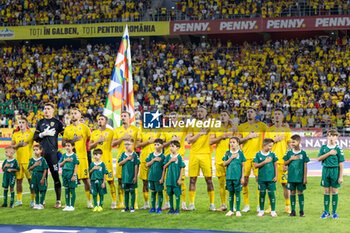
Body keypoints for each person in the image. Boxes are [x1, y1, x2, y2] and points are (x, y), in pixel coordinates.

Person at [34, 102, 65, 208]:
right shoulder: (40, 122)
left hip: (52, 154)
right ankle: (42, 201)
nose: (46, 110)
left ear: (53, 110)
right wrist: (43, 134)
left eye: (48, 109)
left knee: (56, 176)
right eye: (45, 108)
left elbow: (65, 135)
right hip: (42, 154)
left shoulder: (57, 123)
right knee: (43, 177)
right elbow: (35, 137)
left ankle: (58, 200)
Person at [237, 107, 267, 213]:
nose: (249, 114)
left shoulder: (261, 125)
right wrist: (248, 137)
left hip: (257, 158)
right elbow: (238, 141)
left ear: (256, 114)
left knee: (259, 181)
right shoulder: (242, 126)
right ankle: (246, 205)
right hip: (245, 157)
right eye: (248, 112)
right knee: (244, 181)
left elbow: (270, 132)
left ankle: (259, 204)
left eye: (251, 112)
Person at [187, 106, 215, 211]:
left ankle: (212, 204)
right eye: (198, 111)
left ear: (206, 112)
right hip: (194, 154)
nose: (199, 113)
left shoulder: (211, 125)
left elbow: (212, 139)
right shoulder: (192, 125)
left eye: (202, 111)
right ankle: (191, 204)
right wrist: (200, 133)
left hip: (206, 154)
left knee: (209, 179)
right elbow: (189, 140)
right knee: (192, 179)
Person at [62, 108, 92, 208]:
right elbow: (63, 143)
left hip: (82, 157)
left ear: (80, 116)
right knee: (70, 180)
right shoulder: (67, 129)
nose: (73, 115)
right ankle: (69, 203)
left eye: (75, 113)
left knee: (86, 179)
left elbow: (91, 140)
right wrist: (73, 140)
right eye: (72, 113)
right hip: (70, 159)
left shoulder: (85, 128)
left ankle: (89, 201)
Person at [265, 109, 292, 213]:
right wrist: (274, 141)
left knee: (285, 184)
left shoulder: (286, 130)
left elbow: (290, 147)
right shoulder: (269, 130)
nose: (277, 116)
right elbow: (265, 145)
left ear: (282, 117)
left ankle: (287, 206)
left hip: (282, 161)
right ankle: (270, 207)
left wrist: (288, 162)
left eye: (279, 114)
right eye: (275, 114)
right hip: (270, 162)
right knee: (270, 184)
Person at [112, 111, 139, 209]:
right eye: (122, 116)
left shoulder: (136, 129)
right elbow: (113, 144)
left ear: (129, 117)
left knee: (133, 180)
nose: (123, 117)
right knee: (120, 180)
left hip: (132, 158)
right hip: (121, 158)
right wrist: (123, 138)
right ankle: (121, 202)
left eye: (125, 116)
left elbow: (138, 144)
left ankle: (134, 203)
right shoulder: (117, 130)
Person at [161, 112, 188, 210]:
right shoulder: (165, 130)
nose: (172, 119)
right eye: (171, 117)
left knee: (182, 181)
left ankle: (183, 203)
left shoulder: (183, 128)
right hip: (168, 158)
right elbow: (162, 145)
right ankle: (167, 203)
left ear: (178, 119)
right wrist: (171, 141)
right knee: (167, 181)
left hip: (179, 158)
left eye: (174, 117)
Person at [89, 115, 116, 209]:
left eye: (102, 119)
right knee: (96, 182)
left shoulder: (111, 132)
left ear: (106, 121)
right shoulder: (94, 133)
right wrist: (98, 141)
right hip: (96, 161)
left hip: (107, 160)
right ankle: (97, 203)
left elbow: (115, 142)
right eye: (99, 119)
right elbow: (90, 147)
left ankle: (114, 201)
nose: (100, 121)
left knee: (110, 181)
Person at [210, 110, 235, 212]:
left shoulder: (232, 128)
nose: (222, 117)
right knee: (221, 183)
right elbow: (211, 141)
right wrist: (221, 137)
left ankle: (232, 204)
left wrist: (232, 124)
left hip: (232, 159)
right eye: (221, 115)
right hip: (220, 159)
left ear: (229, 117)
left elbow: (239, 137)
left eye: (225, 115)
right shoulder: (215, 128)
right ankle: (223, 204)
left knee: (233, 182)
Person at [317, 129, 344, 219]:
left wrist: (340, 176)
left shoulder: (338, 148)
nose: (331, 137)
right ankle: (326, 212)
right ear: (327, 137)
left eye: (333, 136)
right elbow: (319, 158)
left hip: (335, 171)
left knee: (335, 191)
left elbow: (341, 163)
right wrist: (329, 153)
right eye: (329, 135)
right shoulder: (324, 147)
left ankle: (334, 212)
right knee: (326, 191)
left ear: (336, 137)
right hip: (326, 171)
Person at [11, 117, 35, 207]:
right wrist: (19, 144)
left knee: (31, 181)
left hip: (28, 161)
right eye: (19, 122)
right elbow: (12, 146)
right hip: (18, 161)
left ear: (26, 124)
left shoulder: (31, 133)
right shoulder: (15, 134)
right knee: (18, 181)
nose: (21, 124)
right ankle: (19, 200)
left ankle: (33, 200)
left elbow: (39, 142)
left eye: (23, 122)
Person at [283, 134, 310, 217]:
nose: (292, 144)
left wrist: (305, 177)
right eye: (291, 142)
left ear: (299, 142)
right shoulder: (289, 153)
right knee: (292, 192)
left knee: (300, 192)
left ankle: (301, 211)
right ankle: (293, 211)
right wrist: (291, 159)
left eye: (294, 142)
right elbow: (285, 163)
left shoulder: (303, 153)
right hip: (291, 177)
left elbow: (305, 166)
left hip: (300, 177)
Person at [135, 125, 160, 209]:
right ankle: (146, 204)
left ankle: (157, 203)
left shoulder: (159, 130)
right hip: (144, 159)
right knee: (145, 182)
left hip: (156, 159)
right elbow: (137, 146)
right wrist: (148, 142)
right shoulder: (141, 130)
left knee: (156, 182)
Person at [253, 138, 278, 217]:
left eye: (272, 146)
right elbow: (255, 165)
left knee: (271, 194)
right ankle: (261, 210)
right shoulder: (258, 154)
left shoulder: (273, 154)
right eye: (269, 146)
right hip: (262, 179)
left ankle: (273, 211)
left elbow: (275, 165)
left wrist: (276, 176)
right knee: (262, 194)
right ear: (264, 145)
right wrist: (264, 162)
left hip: (271, 178)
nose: (271, 148)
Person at [160, 140, 186, 214]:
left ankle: (177, 209)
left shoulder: (179, 157)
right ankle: (171, 208)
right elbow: (164, 166)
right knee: (170, 194)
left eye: (173, 146)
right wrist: (170, 161)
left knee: (177, 194)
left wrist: (179, 179)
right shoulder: (168, 157)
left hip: (176, 179)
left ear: (177, 148)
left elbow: (182, 168)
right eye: (170, 146)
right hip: (169, 179)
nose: (171, 148)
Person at [223, 137, 246, 217]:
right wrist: (231, 157)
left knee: (237, 192)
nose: (232, 144)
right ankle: (231, 210)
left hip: (237, 177)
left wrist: (242, 177)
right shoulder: (227, 153)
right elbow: (224, 164)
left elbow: (243, 166)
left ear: (238, 144)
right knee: (230, 193)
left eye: (234, 142)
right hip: (229, 176)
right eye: (230, 142)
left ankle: (238, 210)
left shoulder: (241, 153)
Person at [118, 138, 140, 213]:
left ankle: (132, 207)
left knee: (132, 191)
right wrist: (127, 159)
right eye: (125, 144)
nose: (126, 146)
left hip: (132, 177)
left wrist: (135, 176)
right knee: (126, 192)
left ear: (132, 145)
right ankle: (126, 207)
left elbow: (136, 166)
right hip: (125, 177)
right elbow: (120, 163)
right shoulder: (123, 154)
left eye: (128, 144)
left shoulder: (135, 155)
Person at [146, 138, 165, 214]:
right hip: (151, 177)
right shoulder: (151, 155)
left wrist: (162, 178)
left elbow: (164, 168)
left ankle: (159, 208)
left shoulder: (163, 156)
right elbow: (147, 164)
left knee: (159, 192)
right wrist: (154, 160)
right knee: (153, 192)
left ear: (162, 146)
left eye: (158, 144)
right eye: (155, 145)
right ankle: (153, 207)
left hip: (159, 178)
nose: (156, 146)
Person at [59, 140, 79, 211]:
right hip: (64, 174)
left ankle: (72, 205)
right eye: (66, 146)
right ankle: (67, 205)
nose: (67, 147)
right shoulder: (64, 155)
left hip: (71, 173)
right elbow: (60, 165)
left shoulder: (74, 155)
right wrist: (65, 161)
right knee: (66, 189)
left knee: (72, 189)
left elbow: (76, 165)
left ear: (73, 147)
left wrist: (74, 175)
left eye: (69, 146)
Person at [28, 144, 49, 210]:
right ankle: (36, 203)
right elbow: (29, 169)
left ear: (41, 151)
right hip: (34, 176)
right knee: (36, 190)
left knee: (42, 190)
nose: (35, 151)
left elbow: (45, 170)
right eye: (34, 150)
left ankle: (41, 204)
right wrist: (34, 165)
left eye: (37, 150)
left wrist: (43, 179)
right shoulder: (32, 160)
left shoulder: (42, 160)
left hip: (41, 175)